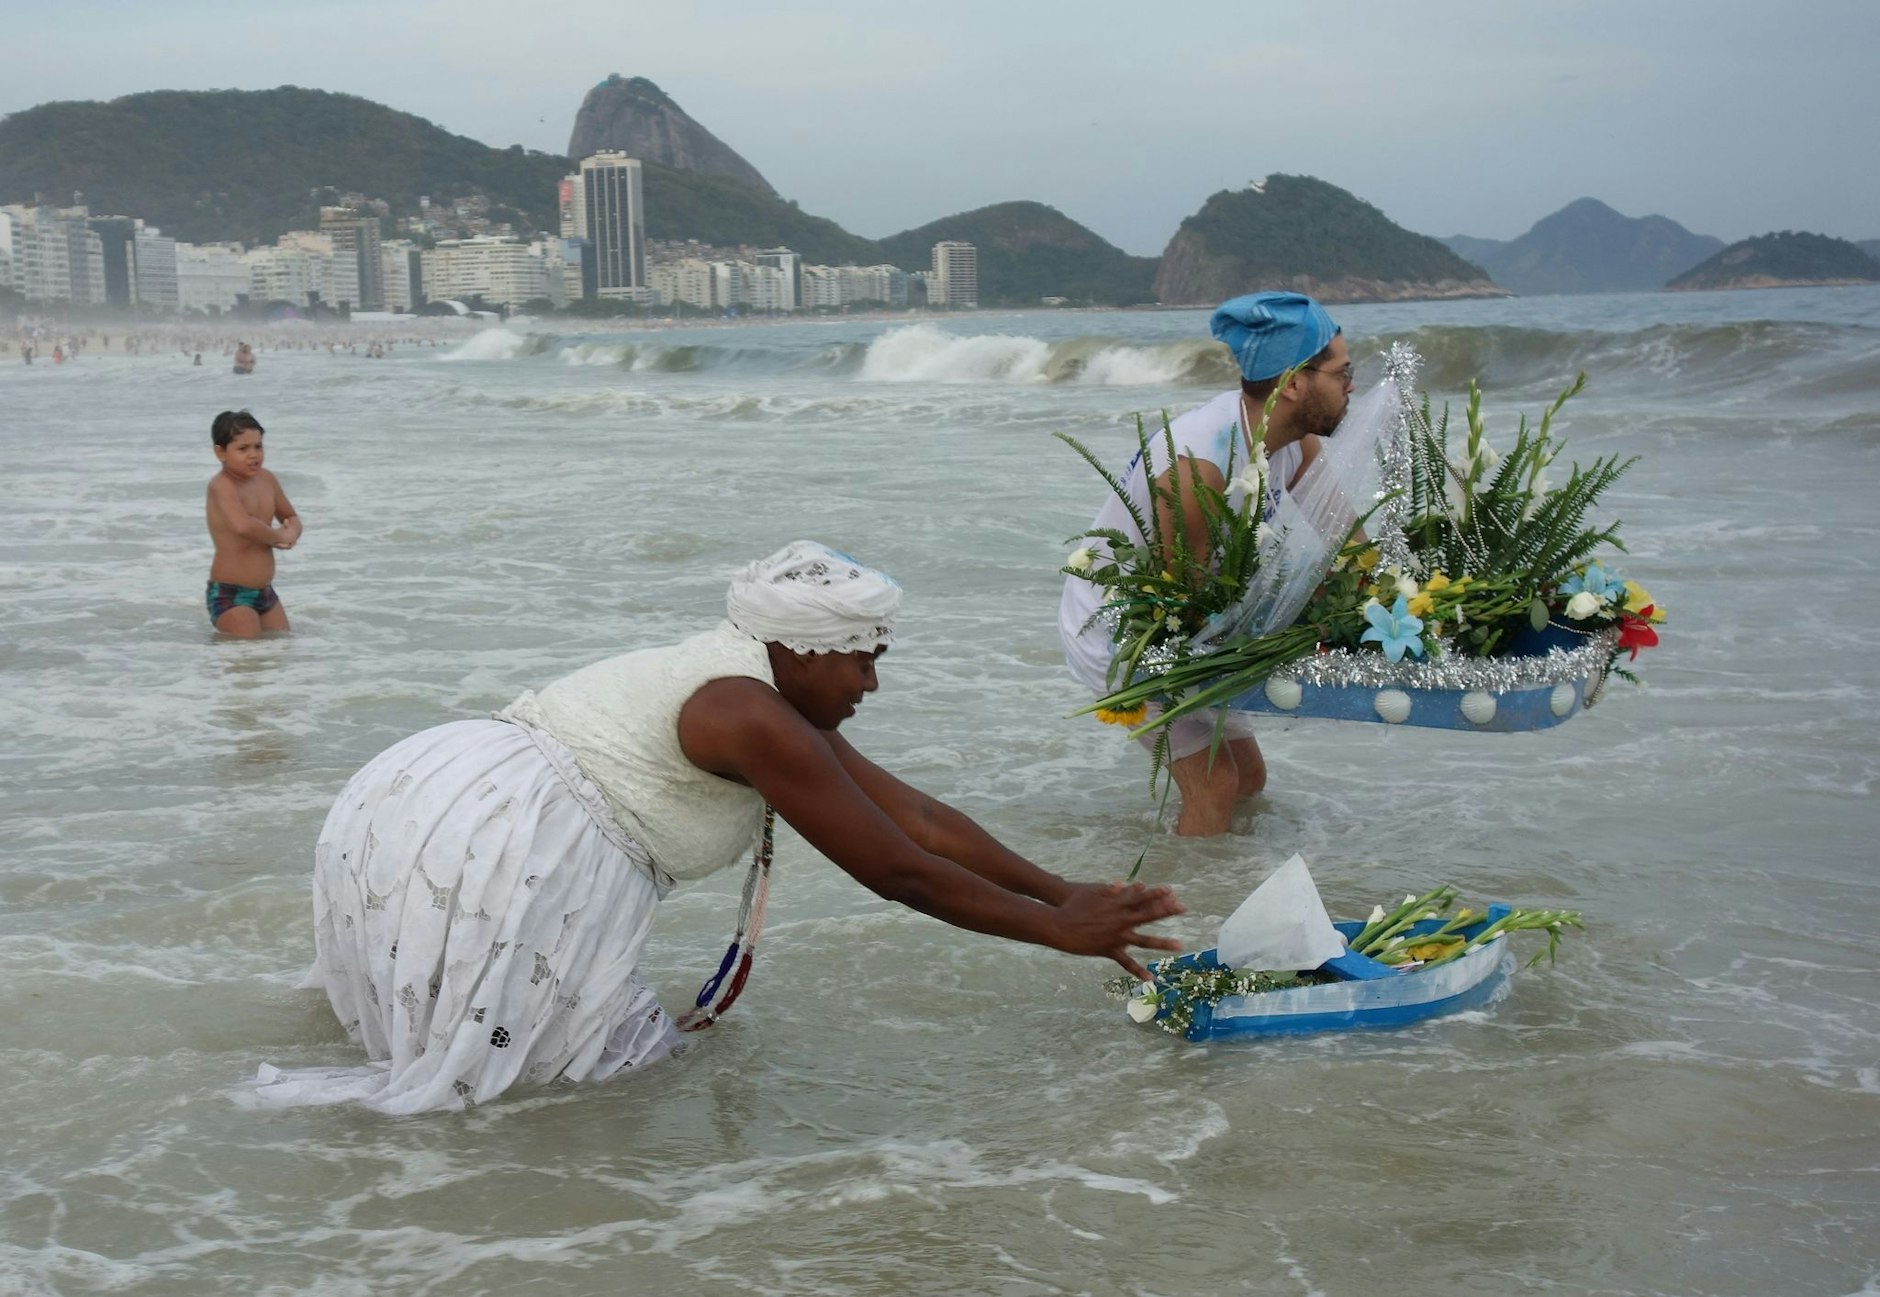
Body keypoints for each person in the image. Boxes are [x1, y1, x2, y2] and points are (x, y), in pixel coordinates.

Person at [247, 542, 1185, 1113]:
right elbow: (897, 869)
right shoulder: (750, 711)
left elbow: (920, 817)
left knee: (525, 1062)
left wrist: (1065, 890)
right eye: (862, 658)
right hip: (498, 839)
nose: (870, 683)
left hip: (433, 797)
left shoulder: (760, 694)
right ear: (803, 650)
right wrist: (1056, 931)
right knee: (570, 1089)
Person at [1059, 291, 1354, 837]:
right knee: (1215, 782)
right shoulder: (1201, 466)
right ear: (1293, 383)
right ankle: (1184, 908)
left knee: (1249, 779)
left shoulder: (1293, 442)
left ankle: (1215, 879)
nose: (1351, 385)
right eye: (1342, 371)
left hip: (1197, 613)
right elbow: (1189, 602)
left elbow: (1349, 540)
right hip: (1126, 627)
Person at [204, 410, 300, 637]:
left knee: (281, 648)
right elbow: (243, 526)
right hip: (231, 595)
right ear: (220, 452)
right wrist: (278, 537)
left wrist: (292, 533)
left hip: (265, 593)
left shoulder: (267, 479)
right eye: (243, 449)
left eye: (258, 447)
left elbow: (290, 516)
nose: (253, 455)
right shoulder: (221, 486)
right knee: (249, 656)